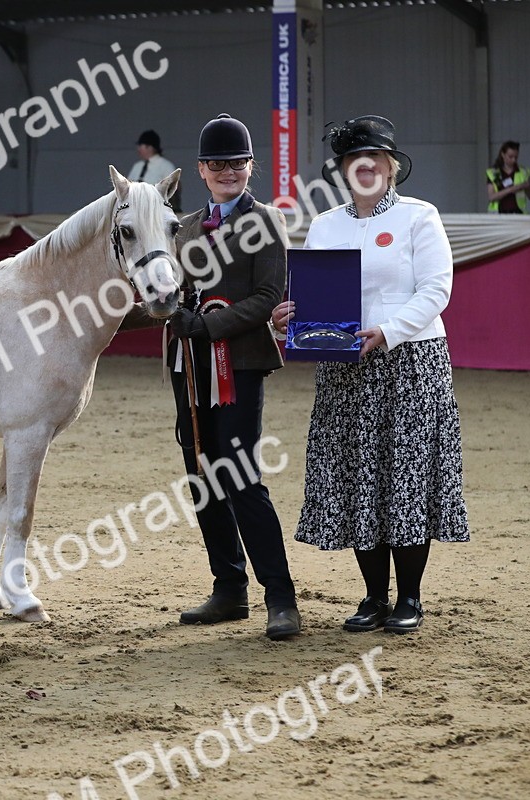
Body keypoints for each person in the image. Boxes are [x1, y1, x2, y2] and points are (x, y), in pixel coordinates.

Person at [272, 115, 470, 634]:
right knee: (359, 476)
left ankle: (409, 598)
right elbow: (314, 301)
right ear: (341, 169)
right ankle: (372, 597)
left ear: (390, 167)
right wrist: (289, 319)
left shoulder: (419, 216)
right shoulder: (324, 225)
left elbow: (437, 290)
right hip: (346, 369)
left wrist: (389, 329)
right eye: (355, 158)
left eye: (375, 158)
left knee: (405, 477)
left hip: (411, 363)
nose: (366, 166)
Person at [123, 113, 300, 640]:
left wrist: (203, 325)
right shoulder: (187, 225)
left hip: (240, 364)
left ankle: (281, 597)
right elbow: (166, 294)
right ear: (201, 170)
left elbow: (267, 298)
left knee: (241, 478)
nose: (227, 171)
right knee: (202, 480)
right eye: (217, 164)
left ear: (251, 167)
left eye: (237, 163)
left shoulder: (266, 222)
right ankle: (228, 588)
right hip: (189, 370)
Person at [485, 141, 530, 213]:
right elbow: (492, 197)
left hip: (518, 213)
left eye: (516, 157)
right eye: (510, 157)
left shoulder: (524, 172)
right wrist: (511, 189)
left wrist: (527, 187)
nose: (514, 160)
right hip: (498, 214)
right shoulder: (493, 173)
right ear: (503, 154)